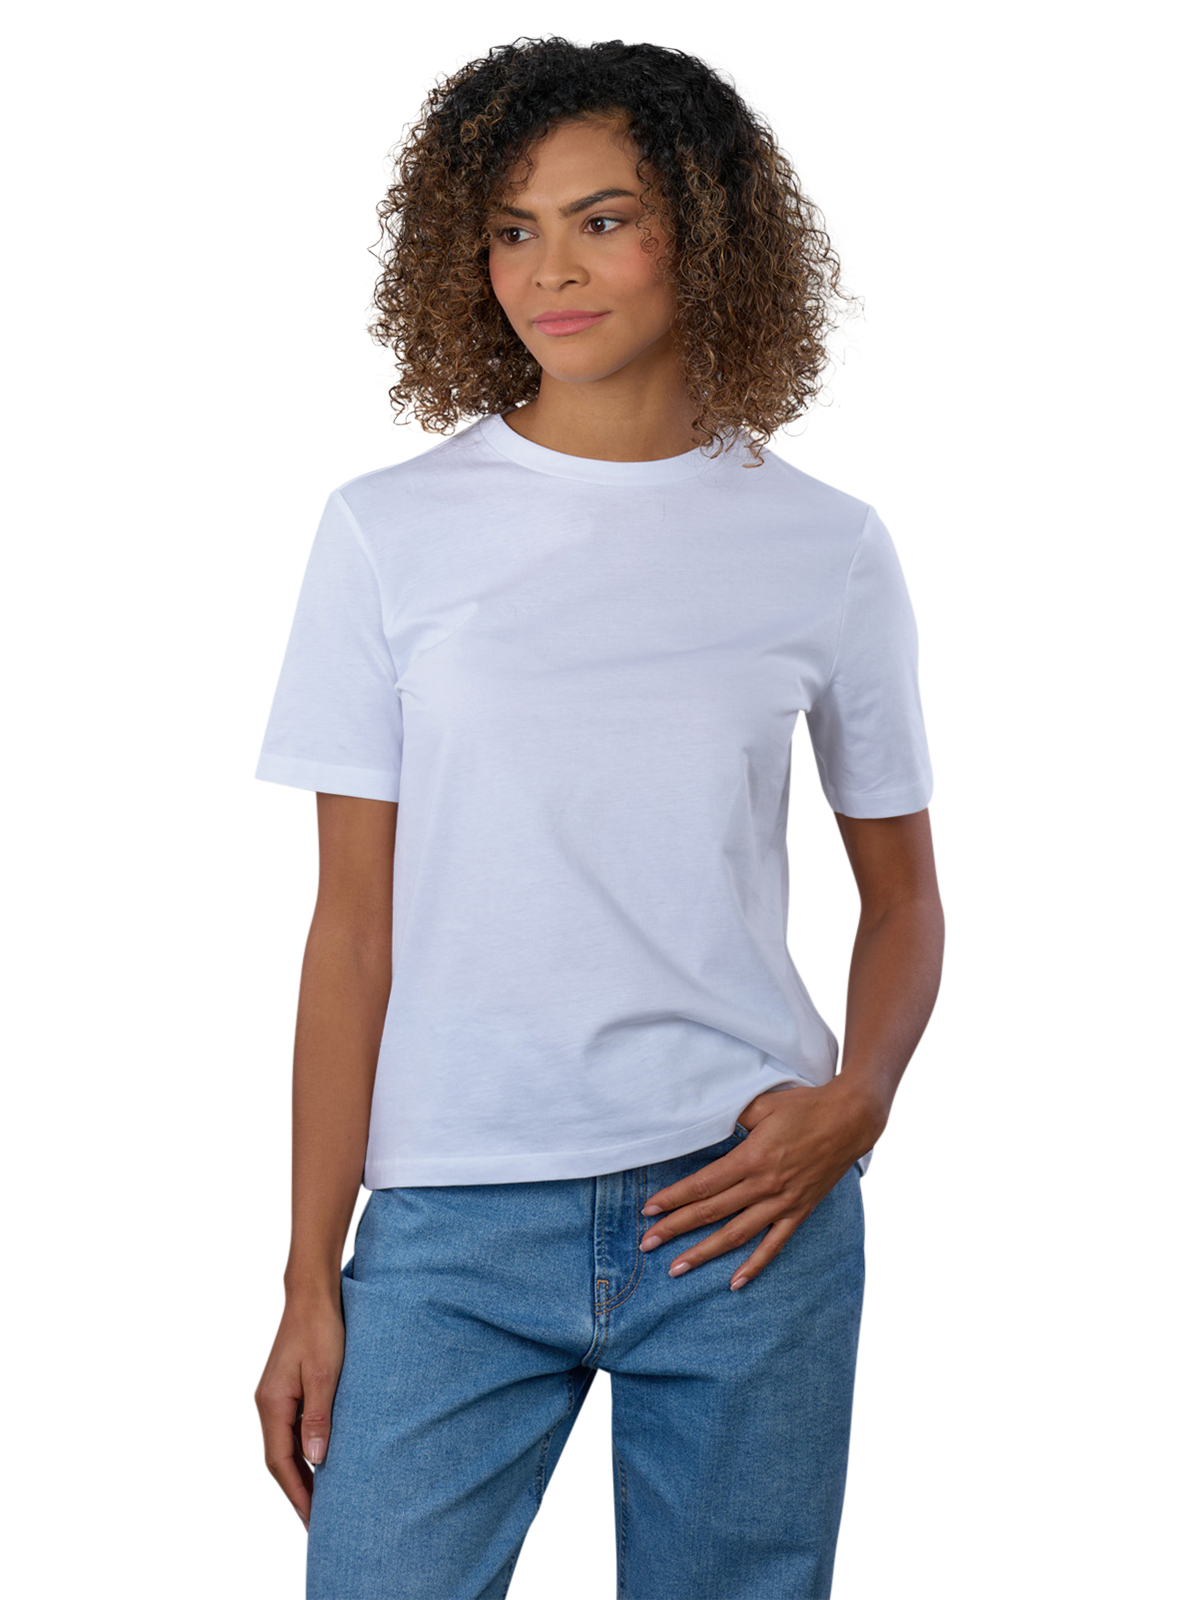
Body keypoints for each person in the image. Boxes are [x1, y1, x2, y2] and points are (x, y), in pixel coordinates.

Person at [252, 34, 945, 1600]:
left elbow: (906, 894)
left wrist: (858, 1103)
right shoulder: (387, 533)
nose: (548, 272)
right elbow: (349, 931)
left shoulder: (824, 546)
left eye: (604, 219)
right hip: (448, 1224)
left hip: (746, 1202)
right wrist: (306, 1283)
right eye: (511, 229)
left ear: (707, 231)